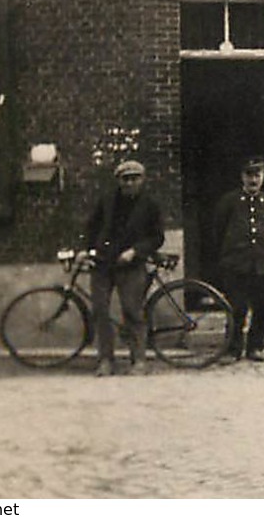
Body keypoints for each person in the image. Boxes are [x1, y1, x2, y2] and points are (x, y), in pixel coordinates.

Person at [83, 158, 165, 376]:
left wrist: (135, 251)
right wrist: (87, 249)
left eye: (134, 179)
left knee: (132, 311)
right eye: (125, 179)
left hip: (131, 266)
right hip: (102, 263)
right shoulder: (107, 200)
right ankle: (105, 360)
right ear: (119, 180)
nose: (130, 183)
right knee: (100, 310)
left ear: (142, 180)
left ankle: (138, 360)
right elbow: (91, 226)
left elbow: (157, 238)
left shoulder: (150, 205)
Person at [212, 156, 264, 362]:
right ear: (242, 177)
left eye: (257, 175)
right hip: (236, 265)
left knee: (263, 309)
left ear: (263, 177)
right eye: (249, 175)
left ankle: (255, 347)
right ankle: (233, 349)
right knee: (237, 309)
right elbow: (219, 230)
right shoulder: (230, 202)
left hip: (260, 265)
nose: (253, 180)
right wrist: (228, 257)